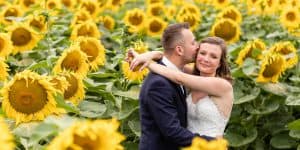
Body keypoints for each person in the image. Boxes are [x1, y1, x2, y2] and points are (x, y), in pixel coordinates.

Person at [130, 23, 214, 150]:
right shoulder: (158, 85)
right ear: (179, 50)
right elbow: (172, 131)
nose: (197, 47)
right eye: (193, 43)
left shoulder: (176, 73)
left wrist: (154, 54)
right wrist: (211, 143)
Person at [129, 36, 233, 139]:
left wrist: (147, 63)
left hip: (213, 146)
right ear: (196, 55)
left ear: (220, 63)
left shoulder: (222, 85)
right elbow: (169, 62)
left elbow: (179, 78)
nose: (206, 59)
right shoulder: (192, 76)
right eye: (202, 53)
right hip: (189, 144)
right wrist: (150, 54)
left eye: (213, 56)